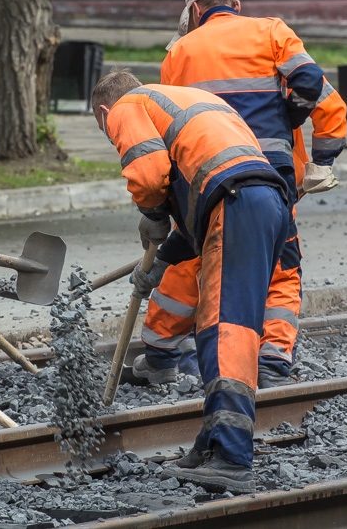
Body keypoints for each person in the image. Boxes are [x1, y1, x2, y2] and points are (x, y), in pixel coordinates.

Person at [126, 0, 347, 389]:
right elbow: (324, 97)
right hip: (272, 175)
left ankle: (160, 351)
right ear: (236, 5)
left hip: (204, 176)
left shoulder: (180, 52)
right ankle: (272, 359)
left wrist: (166, 201)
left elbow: (172, 124)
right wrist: (320, 157)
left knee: (194, 256)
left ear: (195, 12)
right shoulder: (271, 32)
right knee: (280, 265)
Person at [93, 69, 289, 494]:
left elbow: (147, 177)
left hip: (236, 204)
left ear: (105, 112)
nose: (115, 138)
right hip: (264, 203)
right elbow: (205, 191)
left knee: (224, 332)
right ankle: (211, 442)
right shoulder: (185, 101)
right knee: (220, 327)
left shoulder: (126, 106)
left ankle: (233, 457)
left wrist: (152, 215)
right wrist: (161, 261)